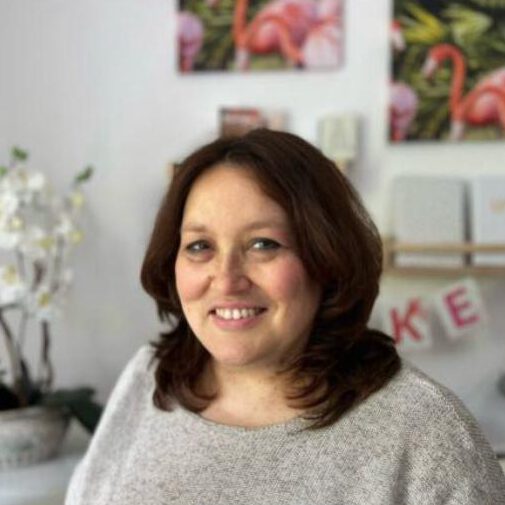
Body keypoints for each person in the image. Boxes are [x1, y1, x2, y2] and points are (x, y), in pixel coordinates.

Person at [65, 129, 505, 504]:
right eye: (200, 246)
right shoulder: (148, 377)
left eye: (264, 244)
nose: (227, 279)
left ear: (326, 260)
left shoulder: (426, 434)